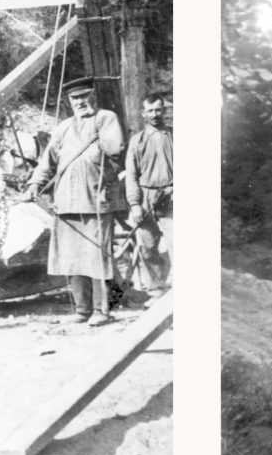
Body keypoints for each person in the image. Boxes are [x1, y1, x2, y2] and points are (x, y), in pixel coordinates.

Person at [26, 78, 125, 326]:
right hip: (66, 203)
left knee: (98, 257)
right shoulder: (64, 128)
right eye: (75, 99)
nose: (81, 102)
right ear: (69, 102)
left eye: (85, 96)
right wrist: (34, 185)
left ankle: (103, 310)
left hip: (95, 201)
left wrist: (99, 132)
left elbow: (116, 149)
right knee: (72, 258)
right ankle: (82, 310)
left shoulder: (106, 118)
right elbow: (47, 162)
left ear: (94, 96)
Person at [125, 91, 173, 297]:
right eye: (150, 110)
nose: (155, 114)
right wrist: (135, 204)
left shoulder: (174, 135)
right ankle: (157, 291)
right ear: (143, 113)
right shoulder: (137, 140)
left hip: (171, 197)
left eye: (158, 109)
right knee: (147, 247)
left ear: (164, 110)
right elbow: (131, 175)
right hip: (146, 199)